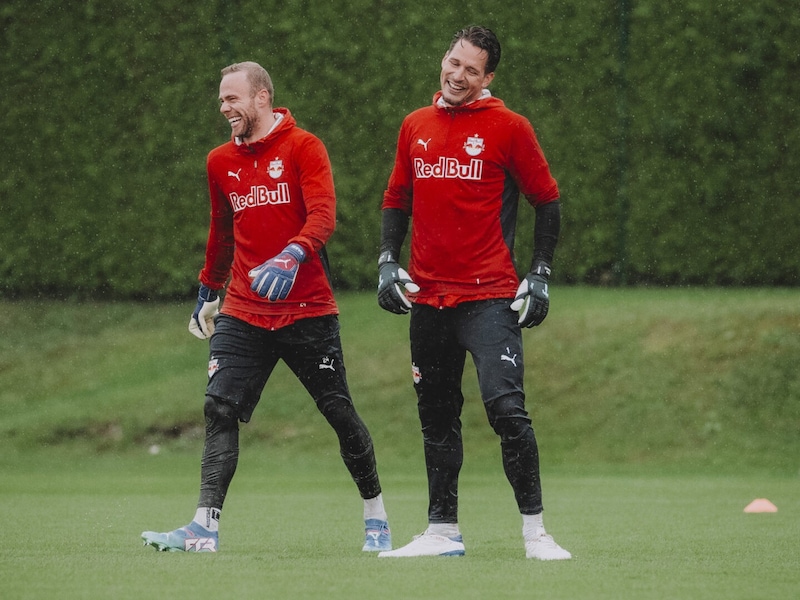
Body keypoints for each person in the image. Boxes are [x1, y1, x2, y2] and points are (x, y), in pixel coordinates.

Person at [141, 61, 391, 553]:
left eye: (232, 98)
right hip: (243, 310)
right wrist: (207, 290)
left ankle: (376, 516)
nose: (224, 107)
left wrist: (293, 254)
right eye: (220, 100)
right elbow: (221, 228)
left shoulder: (304, 147)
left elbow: (323, 215)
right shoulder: (219, 161)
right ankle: (204, 528)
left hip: (308, 308)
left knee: (338, 411)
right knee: (218, 406)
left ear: (262, 98)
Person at [375, 26, 570, 560]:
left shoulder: (510, 128)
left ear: (487, 78)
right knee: (436, 416)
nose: (456, 75)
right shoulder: (414, 124)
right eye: (452, 62)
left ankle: (537, 535)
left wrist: (541, 272)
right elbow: (396, 197)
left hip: (488, 299)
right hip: (428, 299)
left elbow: (547, 202)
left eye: (470, 69)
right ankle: (442, 532)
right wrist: (388, 261)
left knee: (506, 411)